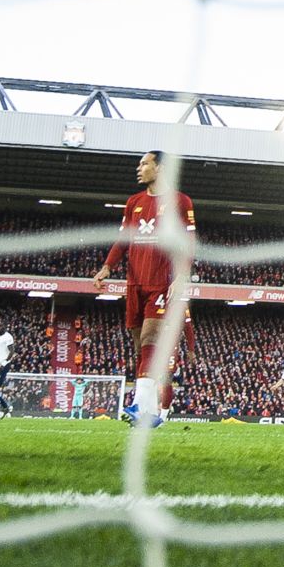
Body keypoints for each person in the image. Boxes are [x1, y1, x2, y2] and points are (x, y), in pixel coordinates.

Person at [92, 150, 195, 427]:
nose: (138, 168)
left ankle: (139, 403)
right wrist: (107, 267)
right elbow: (123, 240)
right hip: (134, 283)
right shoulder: (133, 202)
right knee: (141, 347)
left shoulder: (180, 201)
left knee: (150, 338)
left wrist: (180, 277)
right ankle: (149, 412)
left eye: (144, 163)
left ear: (159, 168)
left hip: (161, 282)